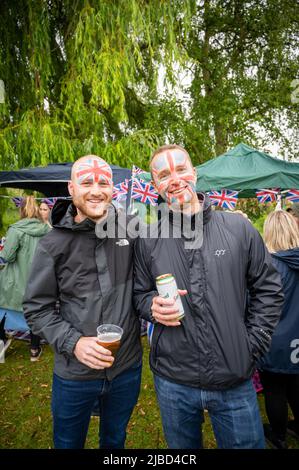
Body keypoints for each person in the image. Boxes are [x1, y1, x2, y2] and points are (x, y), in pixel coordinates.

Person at [133, 144, 284, 449]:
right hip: (173, 379)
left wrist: (251, 344)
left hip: (234, 377)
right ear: (155, 186)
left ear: (195, 173)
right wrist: (150, 306)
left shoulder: (238, 228)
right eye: (163, 175)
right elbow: (138, 293)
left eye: (180, 169)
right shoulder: (147, 239)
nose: (174, 179)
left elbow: (268, 289)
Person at [23, 155, 142, 449]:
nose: (96, 190)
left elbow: (150, 281)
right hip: (74, 374)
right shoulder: (52, 244)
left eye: (103, 182)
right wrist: (74, 342)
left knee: (115, 440)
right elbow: (36, 308)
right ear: (71, 188)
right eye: (86, 182)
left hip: (126, 367)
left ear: (113, 188)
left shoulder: (133, 230)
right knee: (67, 442)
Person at [258, 210, 299, 449]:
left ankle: (278, 434)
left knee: (275, 391)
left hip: (275, 340)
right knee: (295, 384)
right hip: (295, 339)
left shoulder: (269, 267)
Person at [0, 196, 50, 361]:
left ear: (21, 211)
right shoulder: (46, 229)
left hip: (15, 280)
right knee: (35, 311)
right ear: (36, 210)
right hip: (39, 280)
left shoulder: (16, 230)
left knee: (3, 308)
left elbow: (7, 256)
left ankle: (3, 339)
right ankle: (34, 350)